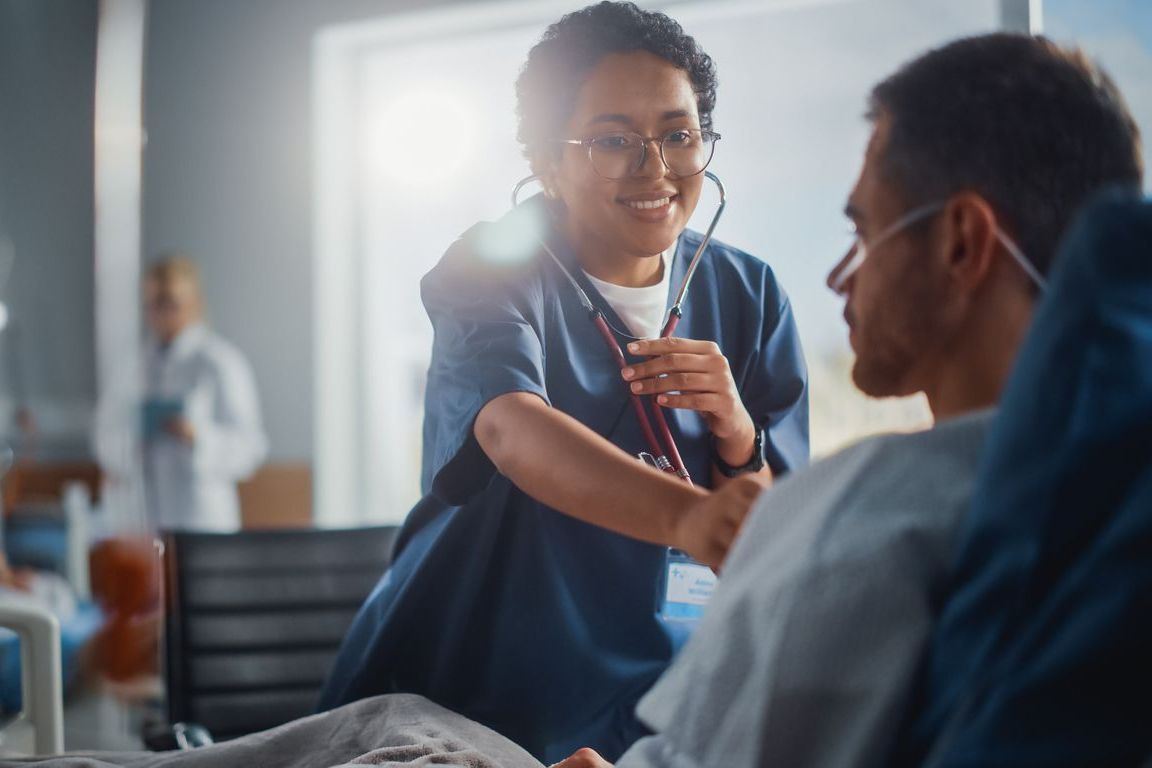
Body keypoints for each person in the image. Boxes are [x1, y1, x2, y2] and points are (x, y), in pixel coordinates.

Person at [548, 33, 1143, 768]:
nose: (839, 278)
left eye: (864, 231)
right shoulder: (1116, 498)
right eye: (613, 139)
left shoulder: (865, 514)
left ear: (961, 243)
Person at [319, 2, 808, 763]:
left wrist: (738, 435)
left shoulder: (749, 293)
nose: (654, 168)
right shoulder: (495, 263)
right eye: (612, 140)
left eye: (678, 135)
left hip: (658, 692)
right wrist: (689, 518)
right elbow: (512, 428)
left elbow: (770, 525)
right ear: (546, 161)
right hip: (471, 687)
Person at [93, 256, 267, 532]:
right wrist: (131, 440)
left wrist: (197, 437)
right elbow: (104, 437)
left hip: (200, 516)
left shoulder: (219, 363)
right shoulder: (130, 367)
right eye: (153, 304)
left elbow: (250, 448)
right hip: (142, 517)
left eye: (170, 302)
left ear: (194, 302)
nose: (161, 313)